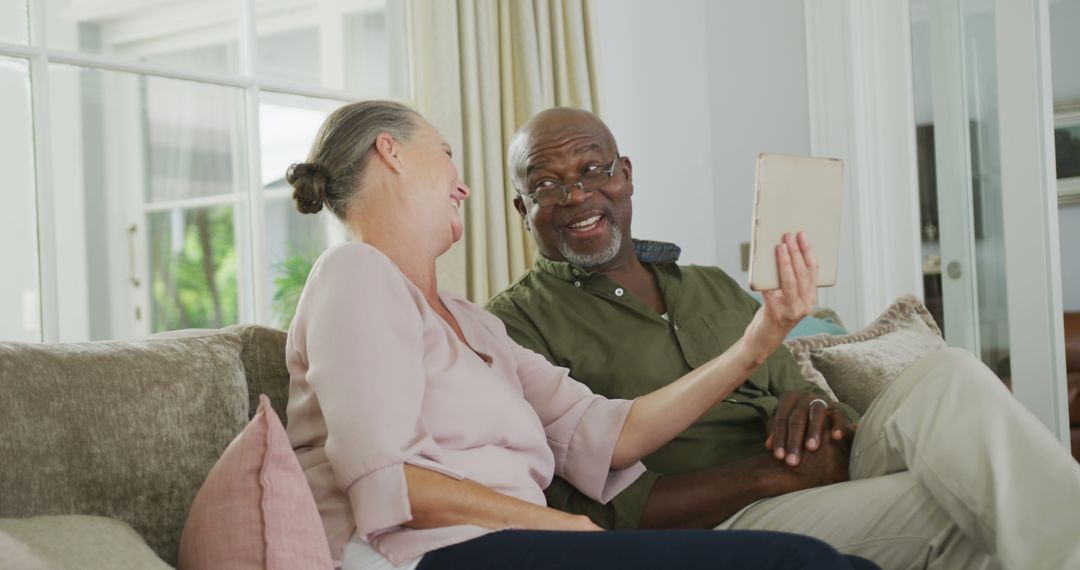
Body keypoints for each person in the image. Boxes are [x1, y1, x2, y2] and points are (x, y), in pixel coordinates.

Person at [282, 100, 875, 570]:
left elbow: (608, 435)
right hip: (433, 555)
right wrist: (554, 522)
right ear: (393, 153)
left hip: (518, 544)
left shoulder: (476, 324)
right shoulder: (355, 273)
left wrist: (760, 339)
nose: (461, 187)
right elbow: (389, 481)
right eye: (446, 156)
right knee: (801, 562)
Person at [485, 106, 1080, 570]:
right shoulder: (514, 325)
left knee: (948, 374)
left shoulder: (712, 285)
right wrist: (774, 475)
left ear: (627, 175)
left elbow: (822, 405)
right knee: (962, 509)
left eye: (594, 169)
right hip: (728, 519)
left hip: (823, 472)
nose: (577, 194)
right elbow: (581, 507)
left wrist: (819, 411)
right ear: (522, 207)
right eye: (547, 183)